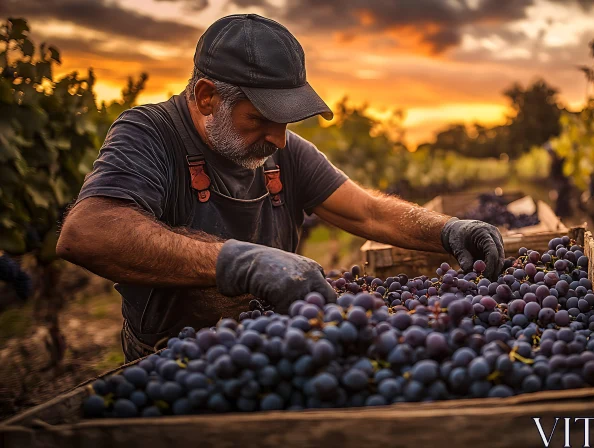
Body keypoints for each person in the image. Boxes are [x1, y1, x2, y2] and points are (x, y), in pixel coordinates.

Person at [56, 14, 504, 362]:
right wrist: (240, 261)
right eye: (261, 119)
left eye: (286, 121)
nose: (279, 138)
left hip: (278, 348)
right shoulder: (150, 134)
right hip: (178, 359)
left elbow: (367, 211)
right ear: (208, 96)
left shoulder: (282, 151)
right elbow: (89, 233)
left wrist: (447, 230)